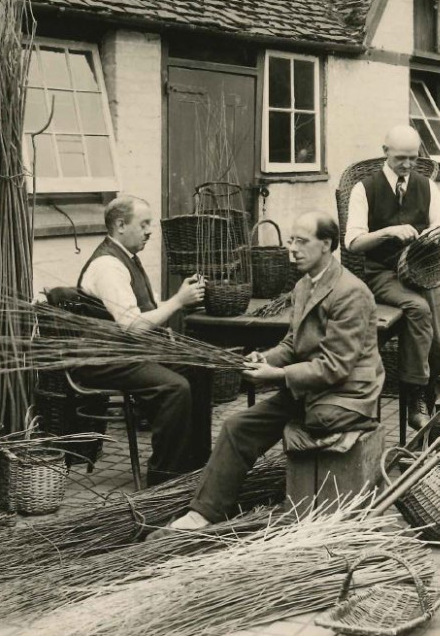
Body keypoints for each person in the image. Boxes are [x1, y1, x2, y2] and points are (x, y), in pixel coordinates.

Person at [164, 211, 383, 531]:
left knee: (316, 419)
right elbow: (293, 344)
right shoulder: (304, 285)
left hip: (346, 392)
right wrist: (264, 359)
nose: (292, 249)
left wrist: (276, 376)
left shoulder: (351, 292)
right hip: (311, 387)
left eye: (301, 242)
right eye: (290, 241)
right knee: (237, 426)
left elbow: (336, 366)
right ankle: (205, 512)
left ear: (326, 245)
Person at [77, 195, 206, 486]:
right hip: (104, 358)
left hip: (127, 353)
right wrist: (177, 301)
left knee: (197, 368)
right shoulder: (109, 265)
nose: (150, 231)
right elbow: (133, 327)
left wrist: (169, 324)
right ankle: (164, 479)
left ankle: (196, 466)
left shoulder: (127, 258)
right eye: (144, 224)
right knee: (175, 388)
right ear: (121, 225)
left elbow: (143, 312)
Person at [345, 124, 440, 430]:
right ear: (385, 152)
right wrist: (388, 232)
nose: (406, 165)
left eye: (412, 158)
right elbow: (353, 242)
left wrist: (432, 236)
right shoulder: (364, 188)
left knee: (432, 308)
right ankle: (419, 395)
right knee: (419, 309)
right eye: (400, 158)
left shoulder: (426, 186)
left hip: (420, 272)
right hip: (381, 273)